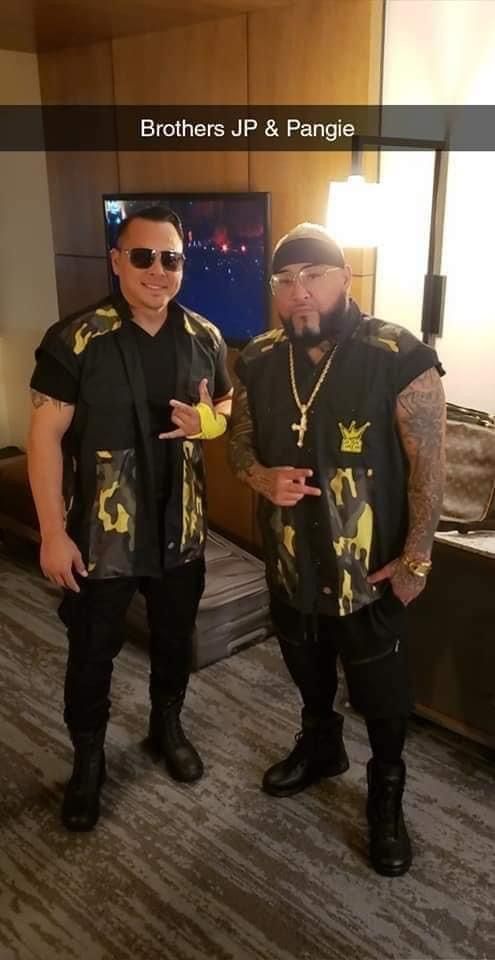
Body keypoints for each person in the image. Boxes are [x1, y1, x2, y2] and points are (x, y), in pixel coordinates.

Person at [228, 222, 446, 877]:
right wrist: (260, 478)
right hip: (290, 564)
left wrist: (416, 559)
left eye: (313, 276)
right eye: (284, 280)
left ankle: (386, 792)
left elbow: (430, 468)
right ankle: (321, 746)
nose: (299, 292)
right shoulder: (259, 358)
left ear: (344, 279)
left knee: (382, 695)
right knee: (307, 669)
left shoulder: (397, 355)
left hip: (368, 574)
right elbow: (239, 444)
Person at [27, 206, 232, 831]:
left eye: (171, 258)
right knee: (92, 652)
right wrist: (52, 533)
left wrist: (210, 423)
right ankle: (88, 759)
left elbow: (225, 404)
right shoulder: (76, 339)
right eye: (143, 256)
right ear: (116, 261)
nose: (157, 270)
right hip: (101, 536)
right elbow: (44, 438)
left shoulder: (205, 336)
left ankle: (165, 726)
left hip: (180, 533)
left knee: (174, 640)